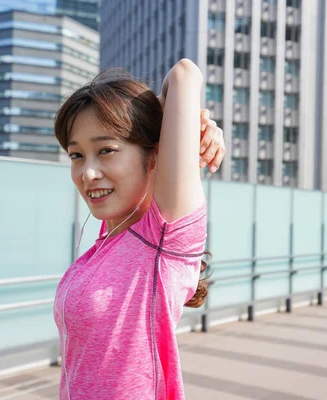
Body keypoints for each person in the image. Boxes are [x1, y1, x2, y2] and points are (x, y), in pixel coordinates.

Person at [52, 59, 225, 400]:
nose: (88, 173)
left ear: (154, 156)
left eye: (107, 151)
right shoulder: (109, 238)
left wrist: (186, 123)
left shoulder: (161, 239)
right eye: (76, 155)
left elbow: (185, 74)